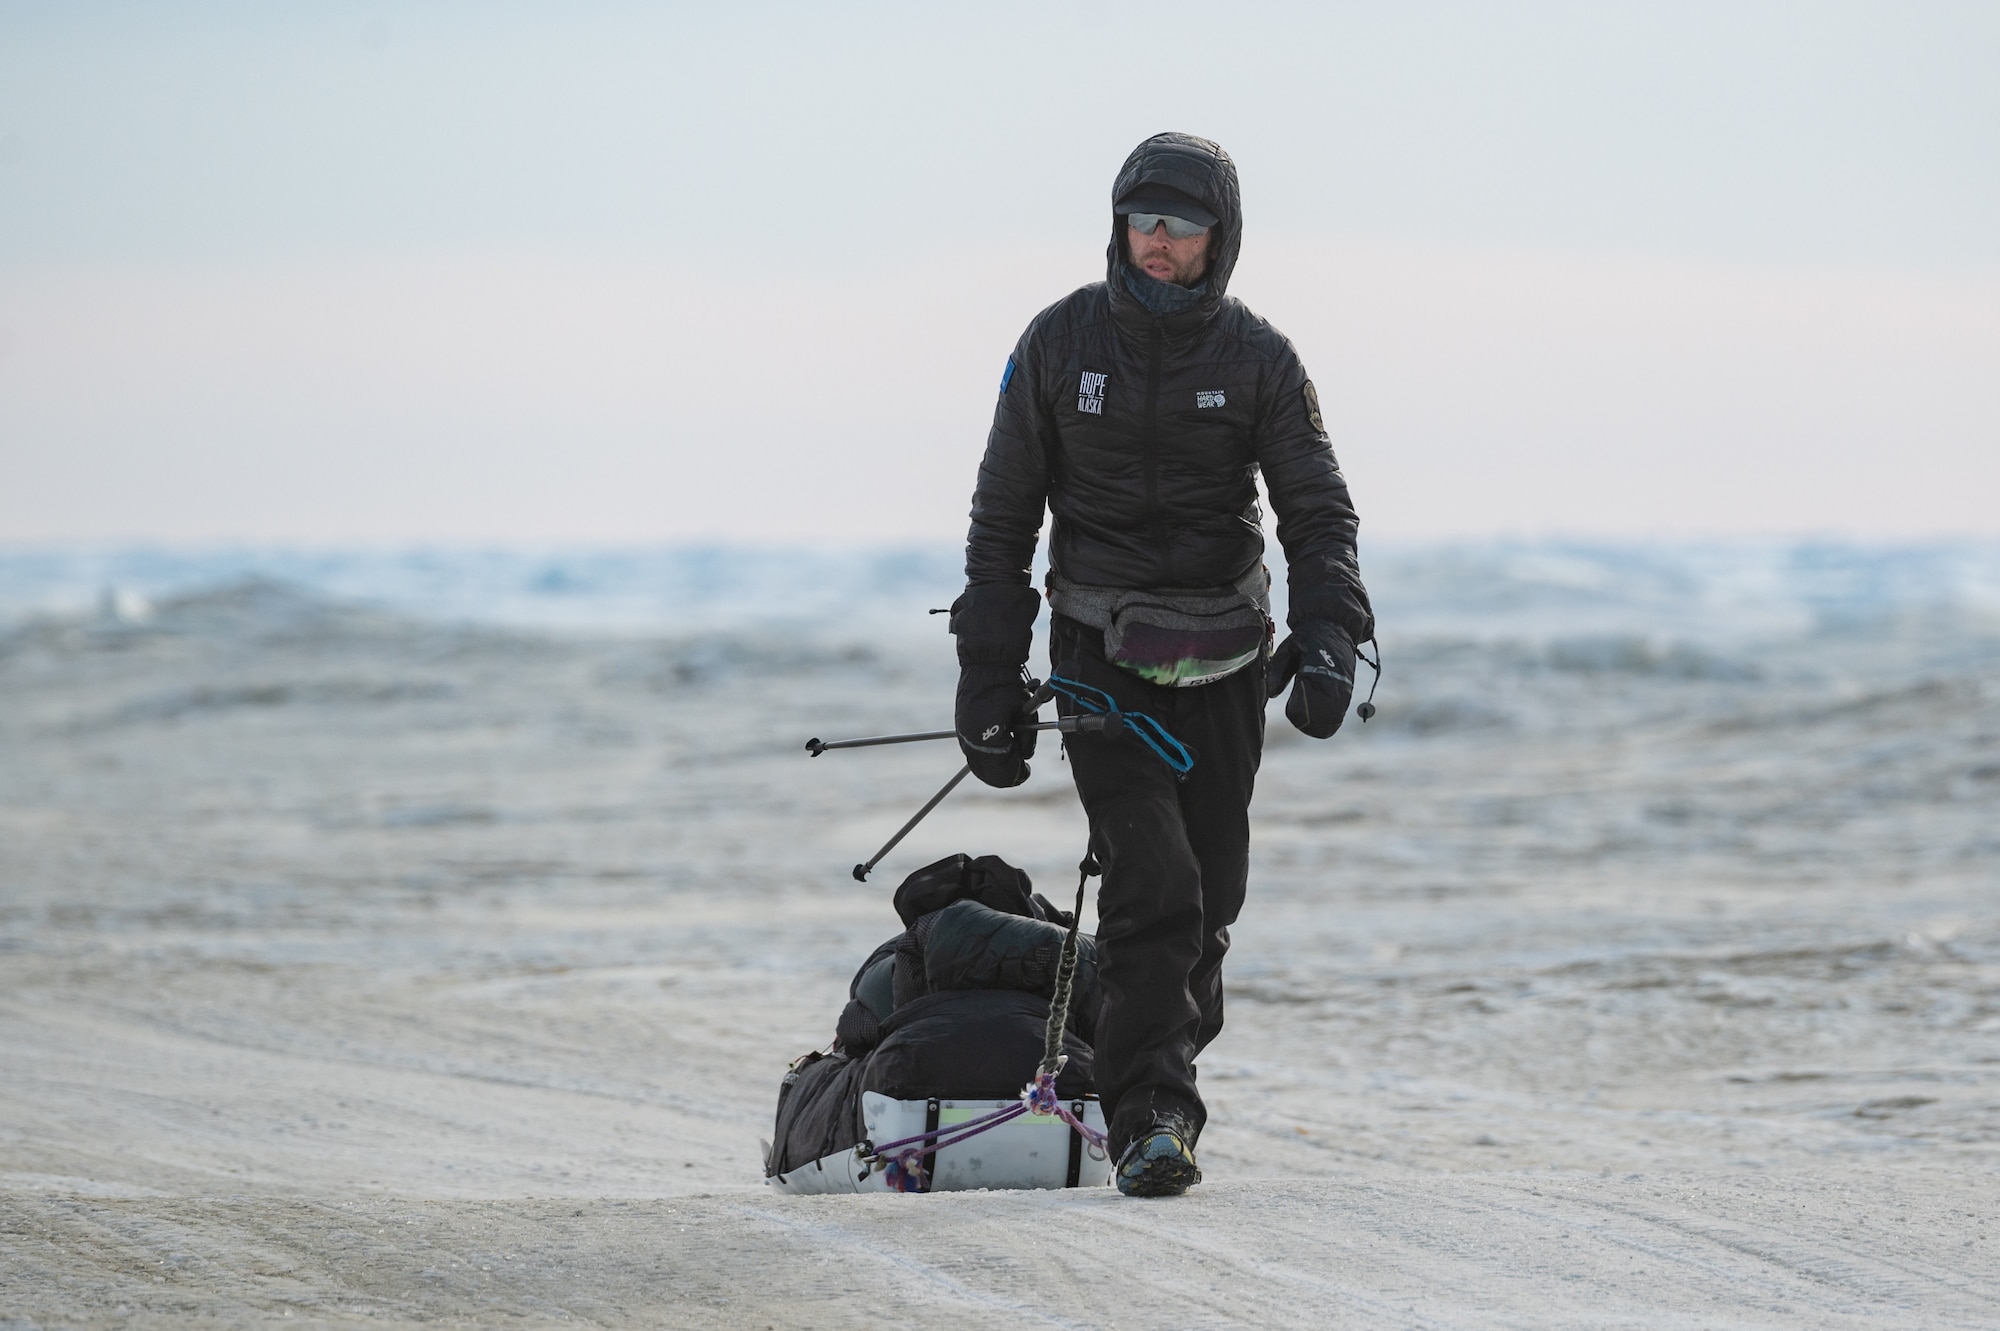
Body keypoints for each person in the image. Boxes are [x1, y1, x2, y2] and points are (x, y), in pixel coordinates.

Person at [949, 131, 1374, 1197]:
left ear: (1218, 242)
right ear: (1116, 223)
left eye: (1181, 227)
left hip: (1224, 653)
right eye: (1143, 219)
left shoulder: (1261, 360)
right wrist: (986, 677)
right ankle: (1152, 1120)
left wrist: (1328, 634)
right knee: (1155, 883)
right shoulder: (1055, 345)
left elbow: (1316, 512)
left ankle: (1125, 1036)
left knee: (1206, 902)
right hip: (1098, 651)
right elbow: (1001, 521)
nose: (1158, 242)